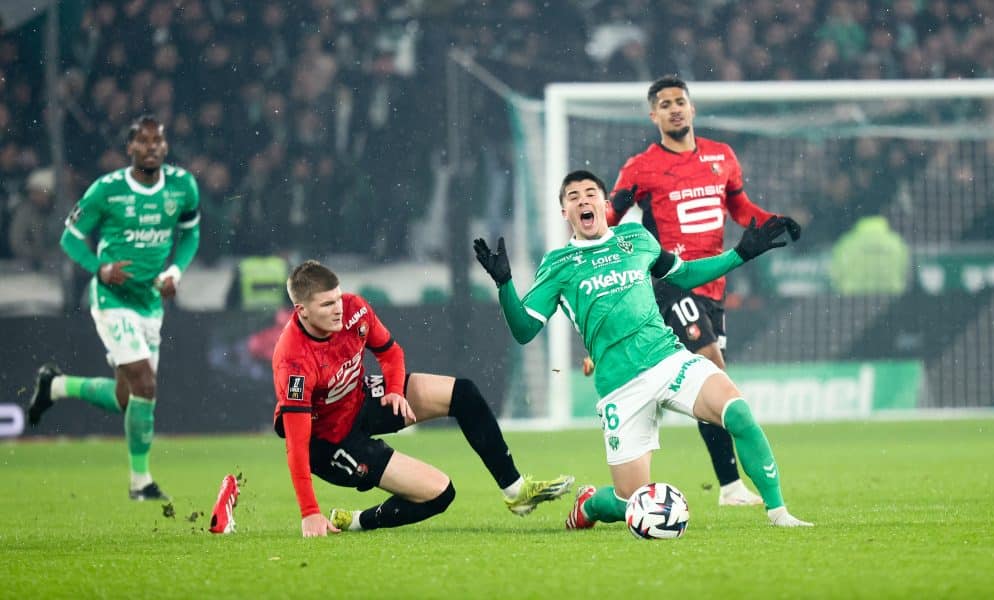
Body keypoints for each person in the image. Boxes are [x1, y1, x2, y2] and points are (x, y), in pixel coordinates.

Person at [474, 170, 812, 528]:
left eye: (590, 193)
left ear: (604, 205)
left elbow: (683, 274)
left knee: (738, 413)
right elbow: (525, 330)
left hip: (669, 359)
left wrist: (740, 254)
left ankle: (779, 514)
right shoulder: (558, 264)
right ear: (564, 212)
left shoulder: (636, 238)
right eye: (573, 197)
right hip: (621, 388)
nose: (583, 200)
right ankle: (588, 506)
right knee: (630, 503)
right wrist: (504, 284)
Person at [605, 75, 802, 507]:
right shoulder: (640, 168)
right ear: (653, 115)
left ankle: (730, 486)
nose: (675, 108)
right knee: (716, 372)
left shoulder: (722, 157)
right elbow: (608, 219)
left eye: (681, 101)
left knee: (711, 384)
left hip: (713, 288)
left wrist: (771, 221)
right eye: (665, 104)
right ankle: (746, 484)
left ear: (692, 109)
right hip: (672, 283)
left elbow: (738, 207)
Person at [272, 260, 573, 538]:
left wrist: (393, 390)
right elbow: (297, 444)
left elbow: (390, 352)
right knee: (440, 493)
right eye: (327, 304)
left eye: (338, 297)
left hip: (359, 399)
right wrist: (310, 512)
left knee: (464, 394)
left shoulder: (354, 309)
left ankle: (516, 491)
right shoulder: (293, 362)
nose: (338, 308)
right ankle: (358, 521)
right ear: (302, 311)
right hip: (329, 442)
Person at [27, 115, 200, 501]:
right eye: (144, 141)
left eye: (159, 140)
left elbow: (190, 235)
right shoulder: (106, 191)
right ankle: (141, 483)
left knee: (128, 398)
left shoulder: (182, 186)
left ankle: (55, 385)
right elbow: (70, 239)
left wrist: (175, 271)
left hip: (150, 302)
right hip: (111, 300)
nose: (152, 147)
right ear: (130, 148)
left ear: (165, 147)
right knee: (146, 385)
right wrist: (99, 269)